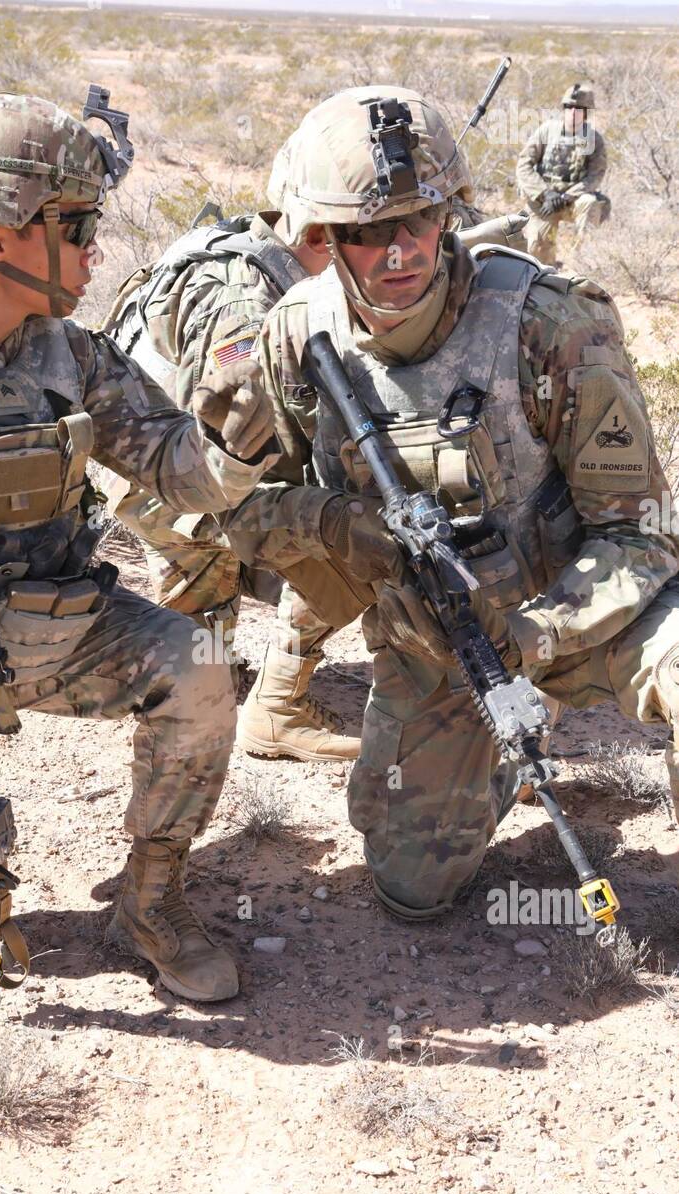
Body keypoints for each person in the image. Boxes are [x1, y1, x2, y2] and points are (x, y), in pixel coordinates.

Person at [0, 89, 283, 1002]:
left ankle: (151, 900)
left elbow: (183, 471)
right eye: (75, 225)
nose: (94, 249)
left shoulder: (70, 355)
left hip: (36, 635)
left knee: (201, 667)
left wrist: (243, 423)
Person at [218, 85, 679, 919]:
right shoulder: (290, 338)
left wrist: (538, 631)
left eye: (418, 222)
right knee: (411, 890)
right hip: (438, 641)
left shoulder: (549, 323)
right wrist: (338, 526)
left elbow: (643, 535)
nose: (398, 252)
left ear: (451, 215)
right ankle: (486, 763)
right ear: (325, 238)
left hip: (587, 611)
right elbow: (237, 508)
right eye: (365, 234)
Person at [99, 141, 362, 762]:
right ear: (324, 233)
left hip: (138, 471)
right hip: (178, 480)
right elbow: (245, 417)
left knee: (202, 609)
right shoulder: (250, 304)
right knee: (359, 529)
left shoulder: (243, 245)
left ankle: (179, 680)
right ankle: (278, 710)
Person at [516, 82, 609, 264]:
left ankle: (583, 263)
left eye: (579, 108)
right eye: (569, 107)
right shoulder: (546, 131)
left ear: (586, 112)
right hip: (544, 200)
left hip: (572, 200)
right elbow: (523, 165)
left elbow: (595, 176)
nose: (573, 112)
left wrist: (566, 197)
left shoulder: (594, 139)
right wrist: (545, 193)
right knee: (538, 249)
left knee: (590, 203)